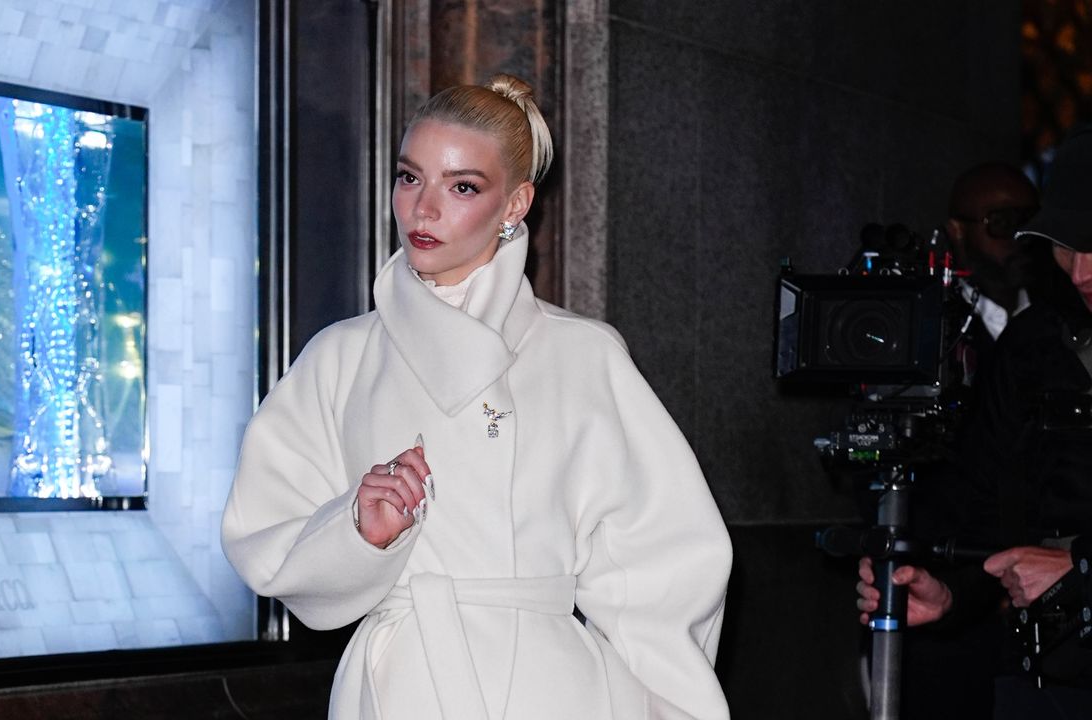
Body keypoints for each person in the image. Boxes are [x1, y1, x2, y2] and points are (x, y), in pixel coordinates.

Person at [220, 74, 732, 719]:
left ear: (516, 203)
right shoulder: (340, 357)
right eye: (410, 177)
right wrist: (356, 531)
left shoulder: (582, 354)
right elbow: (265, 535)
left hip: (552, 692)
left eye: (462, 186)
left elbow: (665, 562)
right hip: (398, 682)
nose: (423, 209)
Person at [858, 124, 1092, 718]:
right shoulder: (1034, 345)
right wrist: (950, 594)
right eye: (1066, 246)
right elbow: (991, 511)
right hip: (1048, 676)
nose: (1081, 272)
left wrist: (1080, 568)